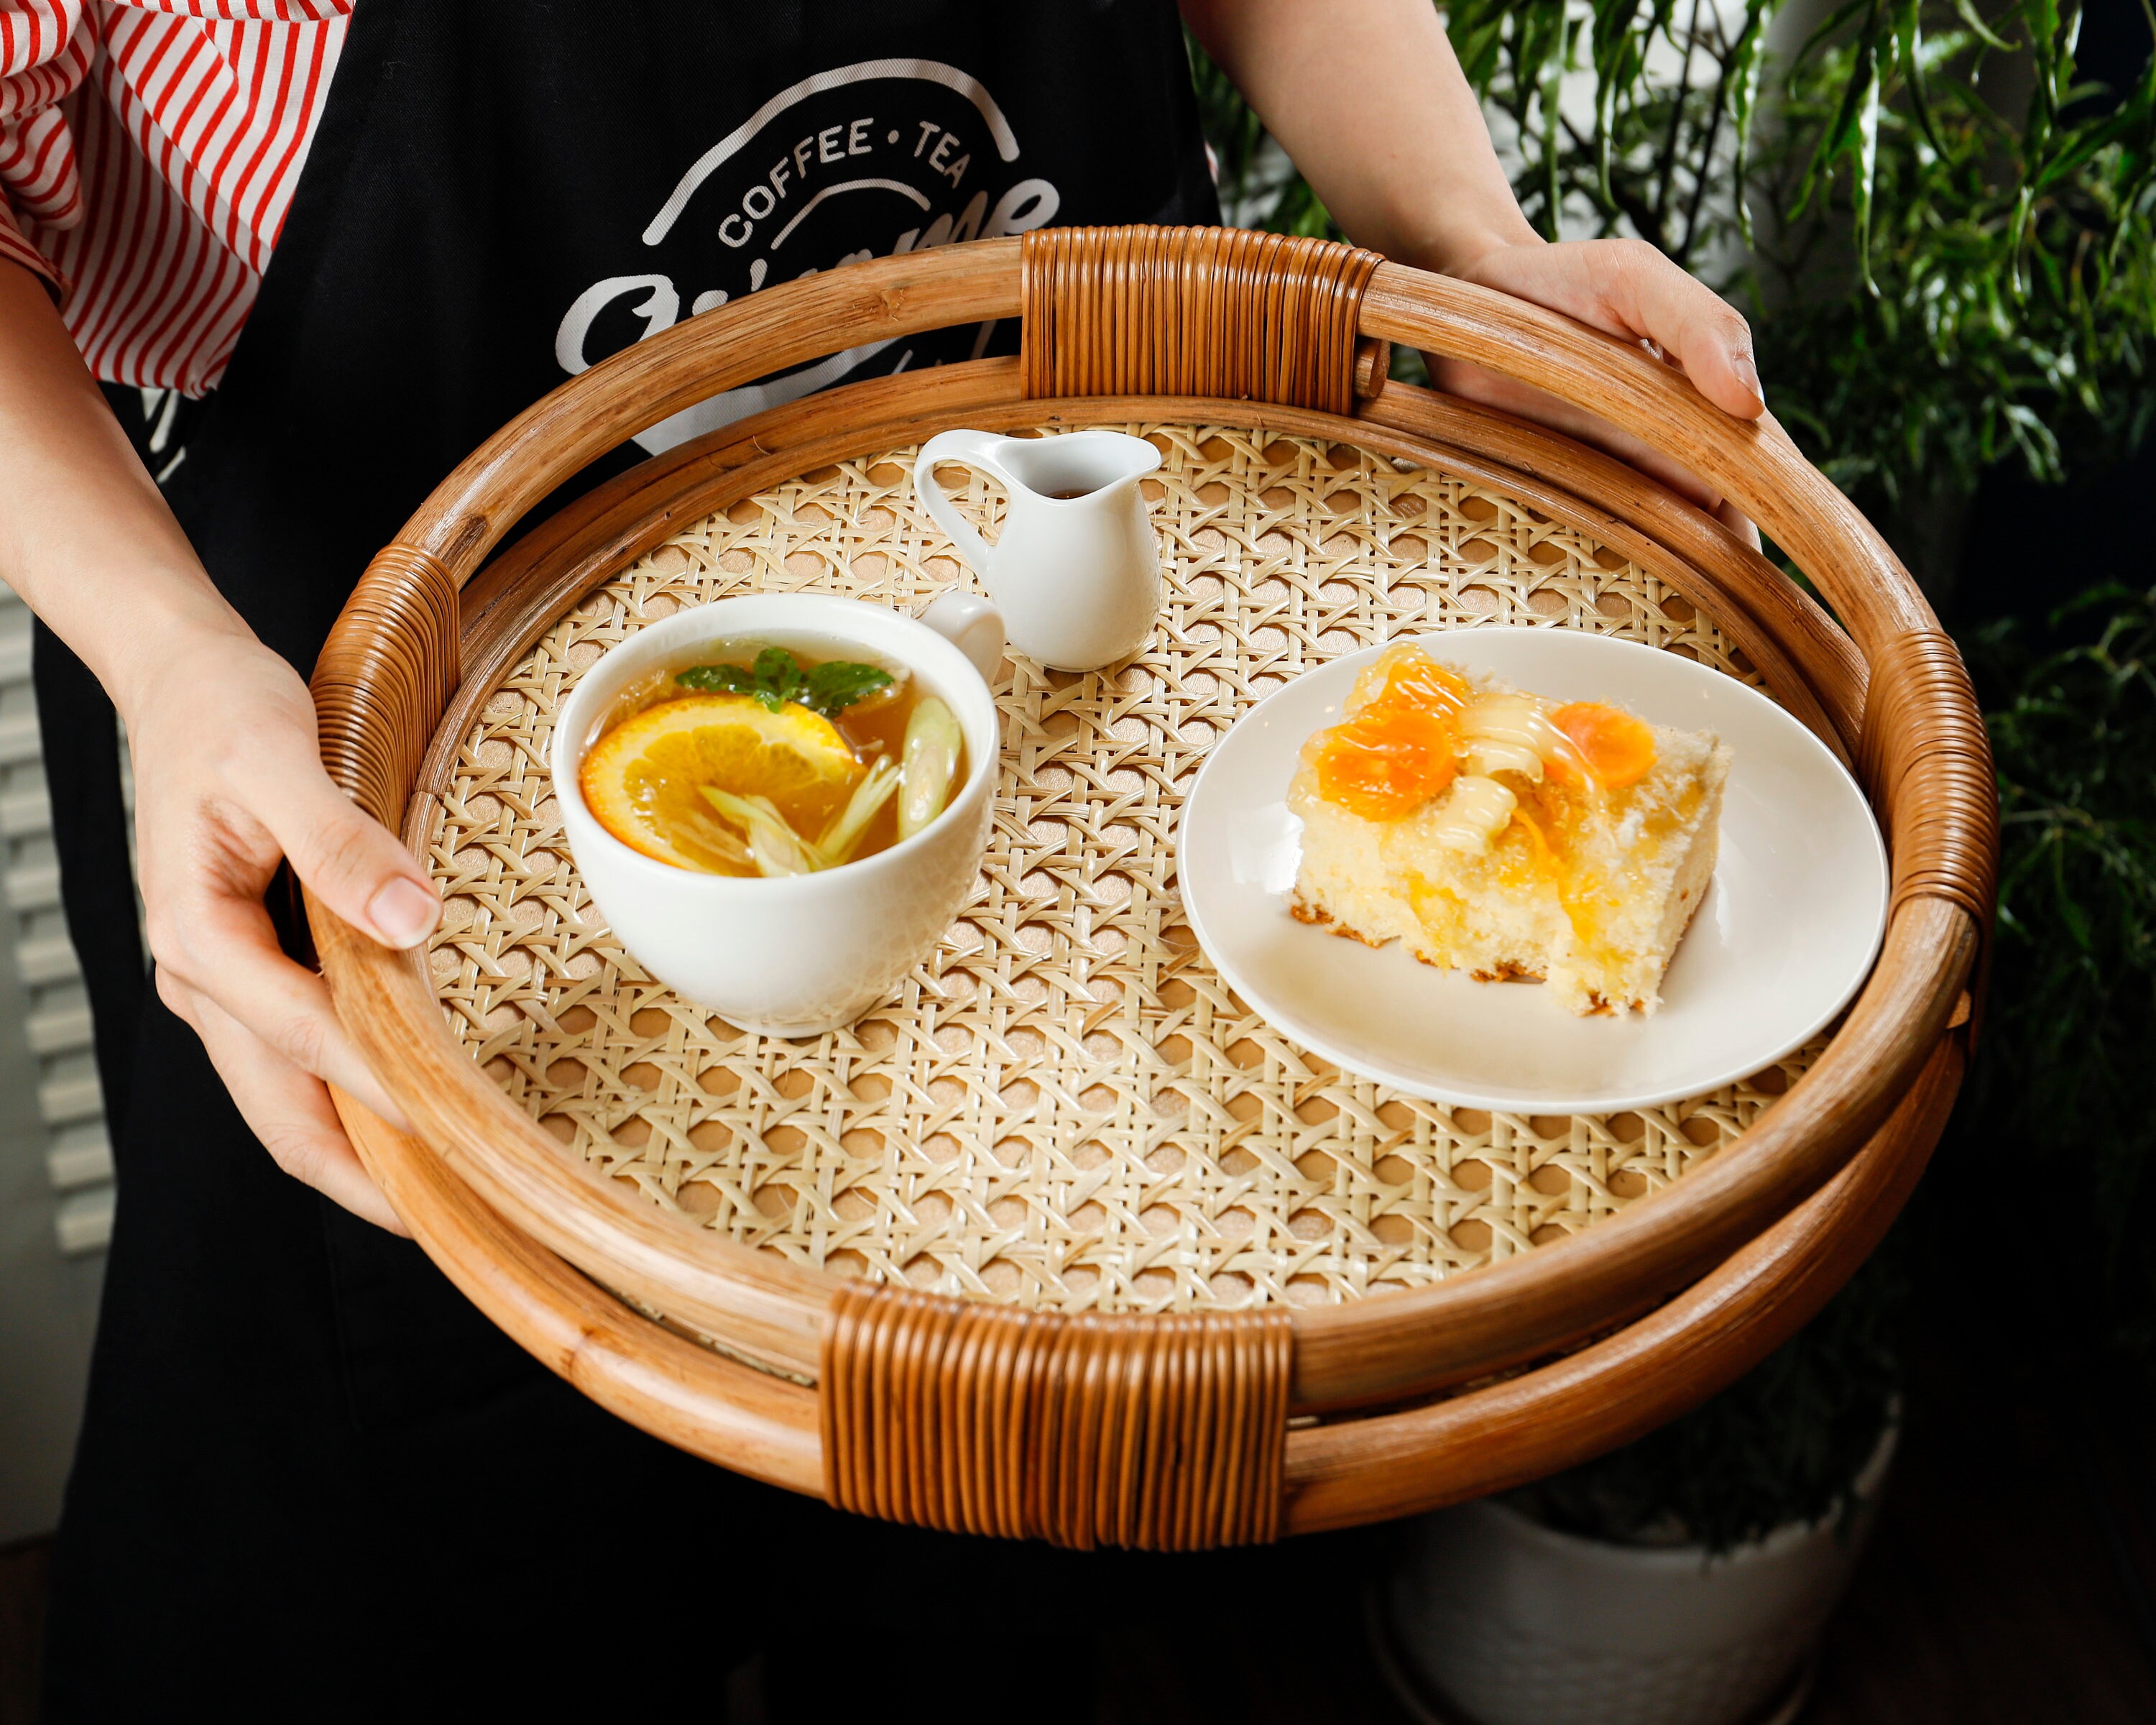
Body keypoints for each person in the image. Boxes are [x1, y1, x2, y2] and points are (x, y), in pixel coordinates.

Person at [0, 2, 1766, 1717]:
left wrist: (1457, 235)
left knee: (972, 1586)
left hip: (1057, 769)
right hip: (355, 783)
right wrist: (163, 658)